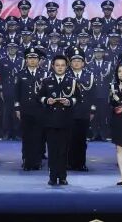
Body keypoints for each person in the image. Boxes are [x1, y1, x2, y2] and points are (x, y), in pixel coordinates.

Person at [39, 52, 78, 186]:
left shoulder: (72, 81)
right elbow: (39, 97)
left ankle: (62, 176)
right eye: (57, 65)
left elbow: (78, 98)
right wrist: (46, 100)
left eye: (62, 65)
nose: (60, 67)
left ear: (66, 66)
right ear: (53, 66)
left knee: (63, 150)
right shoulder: (46, 81)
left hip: (65, 121)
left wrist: (69, 102)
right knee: (52, 150)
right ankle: (52, 176)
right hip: (51, 121)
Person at [15, 46, 46, 170]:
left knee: (38, 136)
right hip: (25, 110)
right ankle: (27, 160)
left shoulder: (44, 74)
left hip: (40, 110)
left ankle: (37, 161)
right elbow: (16, 93)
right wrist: (17, 108)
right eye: (30, 58)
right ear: (26, 60)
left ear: (39, 60)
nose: (32, 60)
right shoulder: (20, 74)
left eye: (35, 58)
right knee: (26, 136)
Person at [67, 48, 95, 171]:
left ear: (83, 63)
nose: (77, 63)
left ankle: (80, 163)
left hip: (84, 112)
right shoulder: (66, 75)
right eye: (74, 61)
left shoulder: (89, 75)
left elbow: (93, 94)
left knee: (82, 139)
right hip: (69, 111)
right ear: (70, 63)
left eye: (79, 61)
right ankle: (69, 162)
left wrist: (92, 110)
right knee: (69, 139)